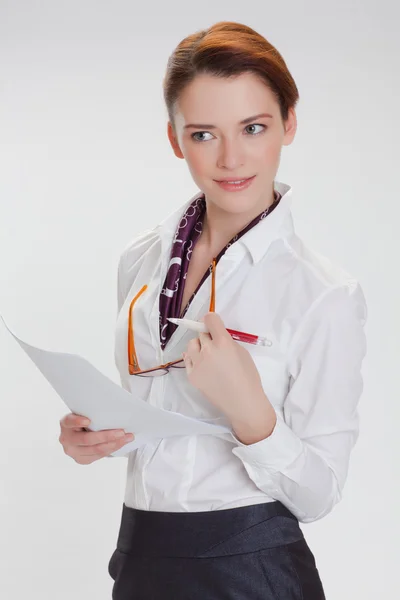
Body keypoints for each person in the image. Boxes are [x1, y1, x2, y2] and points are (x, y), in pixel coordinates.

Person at [59, 21, 367, 599]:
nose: (231, 158)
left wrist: (251, 413)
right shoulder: (141, 259)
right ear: (175, 138)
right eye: (204, 134)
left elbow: (320, 494)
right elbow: (162, 420)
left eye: (254, 127)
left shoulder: (324, 294)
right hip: (141, 553)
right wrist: (100, 435)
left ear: (289, 123)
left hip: (250, 567)